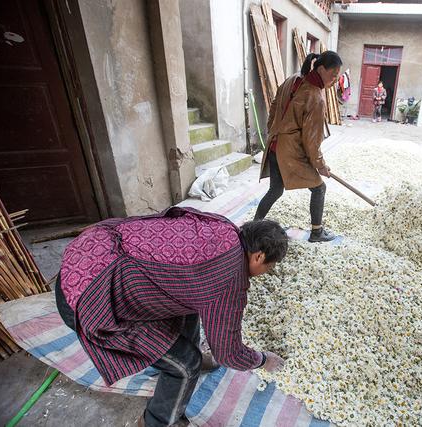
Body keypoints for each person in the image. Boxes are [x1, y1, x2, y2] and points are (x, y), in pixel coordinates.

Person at [54, 207, 288, 427]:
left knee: (191, 306)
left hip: (87, 253)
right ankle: (157, 422)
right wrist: (262, 359)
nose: (267, 272)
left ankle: (185, 353)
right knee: (186, 365)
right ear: (258, 256)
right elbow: (228, 354)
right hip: (90, 299)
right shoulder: (230, 279)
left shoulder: (222, 226)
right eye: (270, 266)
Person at [254, 51, 343, 243]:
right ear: (320, 69)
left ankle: (254, 225)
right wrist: (320, 165)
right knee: (319, 188)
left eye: (337, 75)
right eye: (333, 74)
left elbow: (274, 105)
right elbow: (312, 141)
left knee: (275, 190)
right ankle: (317, 232)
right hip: (289, 152)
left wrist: (273, 129)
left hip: (274, 146)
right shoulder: (315, 97)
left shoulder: (293, 79)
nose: (335, 80)